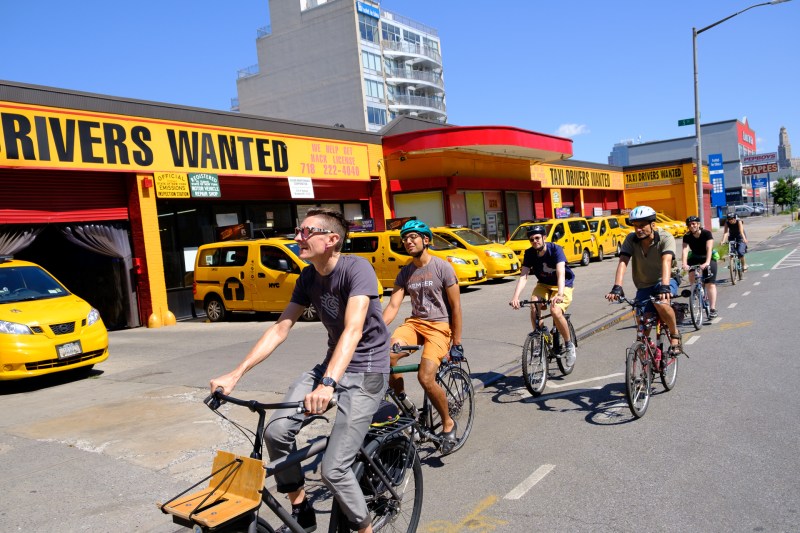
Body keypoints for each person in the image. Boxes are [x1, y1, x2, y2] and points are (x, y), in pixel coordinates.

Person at [210, 208, 389, 533]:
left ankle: (365, 529)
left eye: (306, 232)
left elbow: (352, 330)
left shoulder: (357, 269)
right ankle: (300, 505)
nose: (297, 238)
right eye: (298, 231)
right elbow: (280, 328)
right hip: (332, 365)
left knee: (333, 470)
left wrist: (328, 385)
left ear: (332, 239)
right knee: (276, 432)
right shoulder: (307, 277)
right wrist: (235, 374)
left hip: (367, 369)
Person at [382, 219, 462, 454]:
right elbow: (392, 307)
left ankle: (448, 423)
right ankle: (406, 404)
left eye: (413, 237)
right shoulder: (405, 272)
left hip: (439, 326)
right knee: (387, 356)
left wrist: (456, 342)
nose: (408, 241)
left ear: (426, 240)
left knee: (425, 377)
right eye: (405, 238)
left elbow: (456, 307)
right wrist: (370, 329)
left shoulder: (442, 267)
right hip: (415, 325)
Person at [604, 205, 683, 355]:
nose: (638, 230)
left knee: (661, 303)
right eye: (635, 226)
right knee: (642, 323)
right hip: (644, 284)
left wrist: (665, 286)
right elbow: (623, 261)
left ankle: (674, 335)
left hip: (666, 280)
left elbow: (666, 261)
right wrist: (617, 287)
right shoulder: (631, 239)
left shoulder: (665, 238)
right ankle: (643, 359)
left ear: (653, 225)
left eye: (642, 226)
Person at [509, 224, 577, 365]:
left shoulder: (555, 250)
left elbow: (561, 273)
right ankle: (540, 338)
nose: (535, 241)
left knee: (555, 311)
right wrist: (515, 297)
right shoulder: (529, 253)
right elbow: (523, 276)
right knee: (534, 304)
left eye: (537, 238)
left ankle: (569, 344)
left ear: (544, 237)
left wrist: (559, 294)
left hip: (562, 284)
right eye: (532, 239)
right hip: (544, 284)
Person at [681, 215, 718, 319]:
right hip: (695, 257)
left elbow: (709, 248)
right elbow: (685, 250)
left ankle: (712, 309)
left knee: (710, 283)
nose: (691, 226)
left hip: (708, 257)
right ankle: (695, 290)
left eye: (693, 224)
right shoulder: (687, 236)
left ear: (698, 224)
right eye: (689, 225)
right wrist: (684, 264)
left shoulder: (706, 233)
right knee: (691, 273)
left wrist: (707, 262)